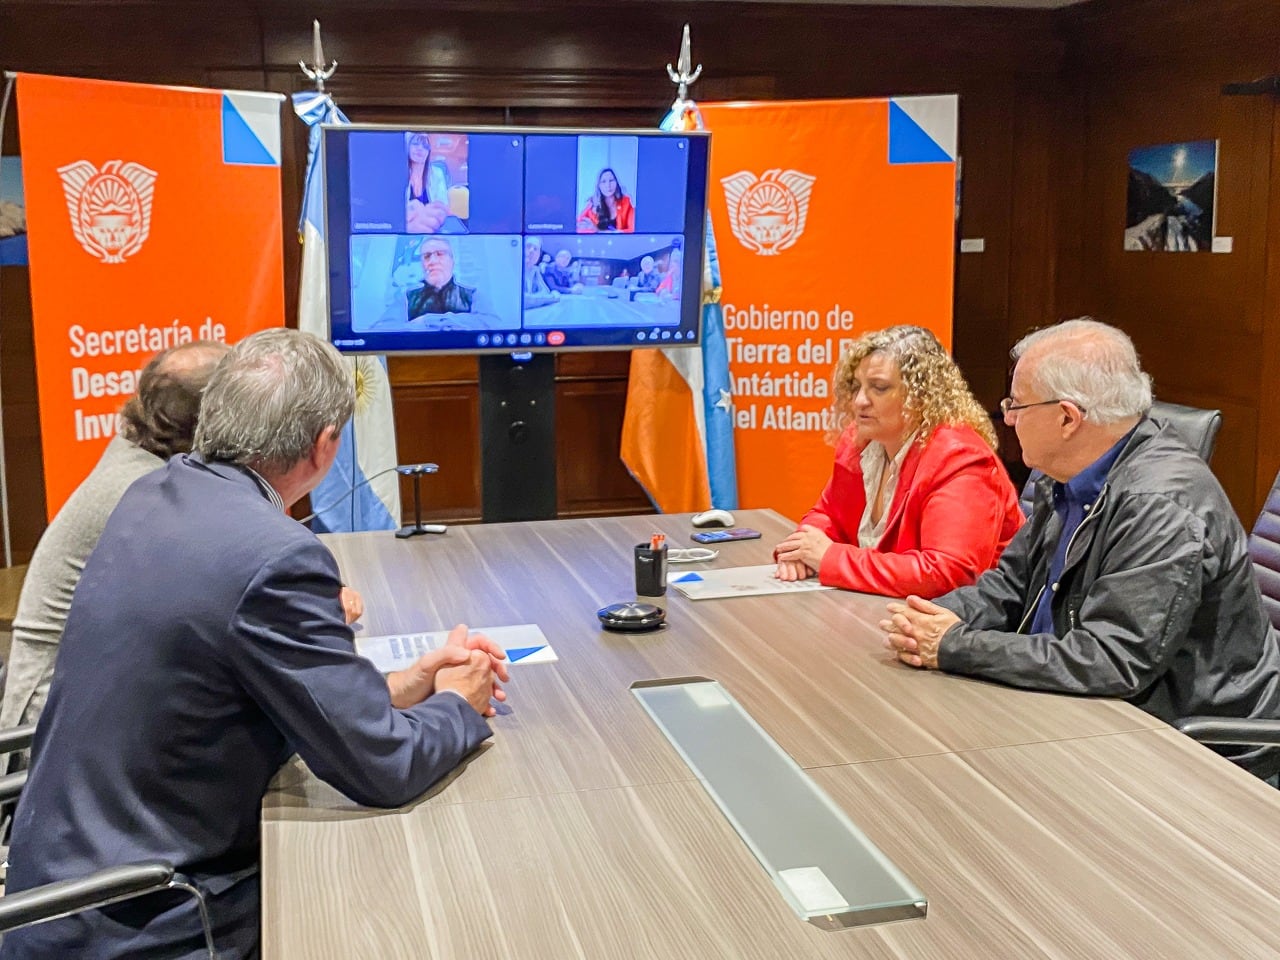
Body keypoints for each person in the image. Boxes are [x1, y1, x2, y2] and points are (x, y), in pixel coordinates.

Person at [0, 329, 509, 959]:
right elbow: (382, 769)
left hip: (62, 878)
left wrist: (404, 687)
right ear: (325, 447)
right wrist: (459, 704)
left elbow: (231, 685)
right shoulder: (276, 555)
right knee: (388, 906)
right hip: (151, 915)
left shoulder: (155, 495)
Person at [882, 318, 1280, 779]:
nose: (1007, 417)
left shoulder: (1161, 504)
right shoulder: (1067, 476)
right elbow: (1009, 585)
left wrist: (956, 647)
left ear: (1067, 418)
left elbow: (1111, 660)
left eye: (1016, 404)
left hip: (1188, 750)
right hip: (1086, 711)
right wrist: (930, 620)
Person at [0, 340, 233, 735]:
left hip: (92, 697)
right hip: (54, 729)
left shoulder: (142, 457)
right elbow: (219, 617)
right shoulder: (147, 491)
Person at [775, 325, 1023, 597]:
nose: (859, 401)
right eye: (856, 386)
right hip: (884, 610)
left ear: (921, 396)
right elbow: (827, 514)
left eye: (879, 388)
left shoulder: (960, 458)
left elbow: (949, 574)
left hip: (963, 624)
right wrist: (800, 550)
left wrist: (830, 559)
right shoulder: (860, 441)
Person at [405, 236, 494, 320]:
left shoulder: (472, 295)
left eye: (440, 254)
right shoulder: (407, 298)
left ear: (452, 261)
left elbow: (490, 324)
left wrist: (427, 321)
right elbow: (394, 326)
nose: (432, 261)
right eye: (426, 256)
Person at [405, 132, 450, 234]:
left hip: (432, 229)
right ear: (407, 147)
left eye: (425, 145)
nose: (420, 148)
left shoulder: (437, 173)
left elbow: (443, 206)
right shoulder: (398, 174)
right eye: (415, 144)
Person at [577, 167, 635, 233]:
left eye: (611, 180)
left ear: (616, 182)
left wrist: (598, 231)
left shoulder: (626, 202)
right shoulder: (592, 204)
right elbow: (577, 226)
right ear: (599, 185)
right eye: (603, 181)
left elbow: (632, 230)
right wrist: (592, 231)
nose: (608, 185)